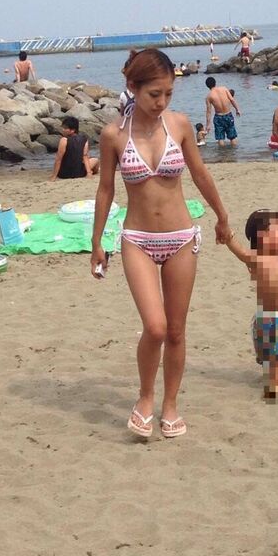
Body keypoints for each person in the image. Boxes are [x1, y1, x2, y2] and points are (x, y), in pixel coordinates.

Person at [91, 48, 231, 438]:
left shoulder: (180, 125)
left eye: (168, 93)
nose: (162, 101)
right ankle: (145, 397)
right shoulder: (113, 135)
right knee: (154, 327)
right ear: (132, 87)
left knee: (176, 331)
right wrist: (96, 241)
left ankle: (170, 405)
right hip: (136, 239)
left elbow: (200, 174)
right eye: (154, 94)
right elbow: (105, 190)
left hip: (181, 238)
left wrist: (222, 216)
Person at [225, 210, 278, 399]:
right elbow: (241, 253)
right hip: (265, 317)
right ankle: (266, 360)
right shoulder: (258, 259)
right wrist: (228, 237)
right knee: (265, 352)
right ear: (263, 236)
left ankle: (274, 386)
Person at [205, 76, 241, 147]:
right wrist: (237, 109)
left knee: (220, 138)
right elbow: (232, 100)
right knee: (232, 137)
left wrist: (208, 125)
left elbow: (209, 111)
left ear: (207, 86)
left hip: (218, 117)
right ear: (215, 83)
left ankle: (222, 153)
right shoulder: (224, 89)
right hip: (228, 115)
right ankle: (234, 151)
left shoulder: (209, 96)